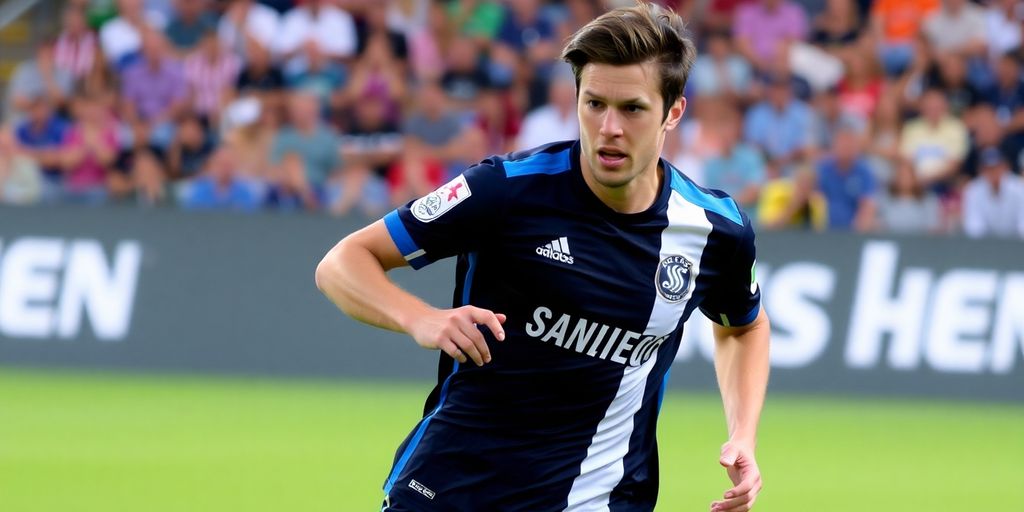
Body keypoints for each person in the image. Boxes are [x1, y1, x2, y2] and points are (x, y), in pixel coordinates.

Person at [315, 3, 769, 511]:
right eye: (594, 104)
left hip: (603, 499)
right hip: (455, 489)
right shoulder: (504, 189)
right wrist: (421, 319)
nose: (609, 128)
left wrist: (743, 435)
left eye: (632, 109)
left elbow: (743, 325)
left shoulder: (715, 231)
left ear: (673, 112)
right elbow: (342, 261)